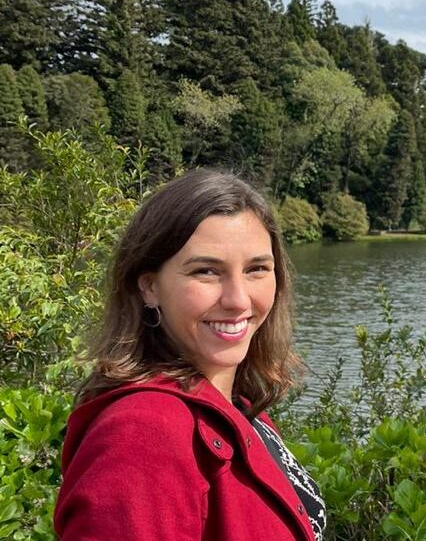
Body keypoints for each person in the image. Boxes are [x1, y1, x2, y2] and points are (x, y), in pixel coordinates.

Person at [54, 169, 326, 541]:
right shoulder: (142, 434)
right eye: (206, 272)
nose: (238, 300)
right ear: (150, 286)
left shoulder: (237, 407)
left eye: (256, 269)